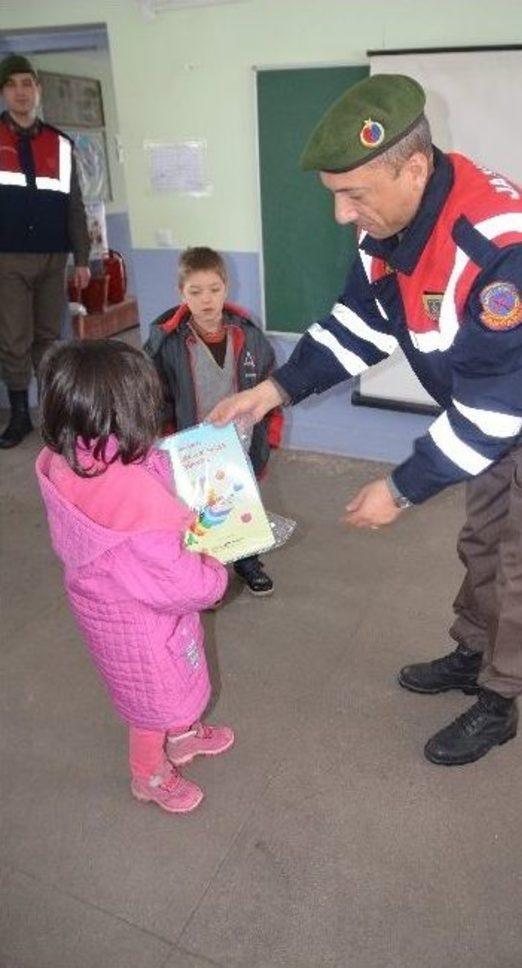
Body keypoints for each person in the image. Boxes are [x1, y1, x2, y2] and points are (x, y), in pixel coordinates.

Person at [211, 74, 522, 767]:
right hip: (487, 409)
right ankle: (471, 653)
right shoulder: (388, 227)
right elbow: (357, 325)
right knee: (484, 538)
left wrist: (399, 489)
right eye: (335, 195)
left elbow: (494, 415)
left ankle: (500, 699)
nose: (343, 216)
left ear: (415, 168)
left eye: (354, 195)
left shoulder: (500, 249)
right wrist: (274, 390)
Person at [35, 340, 234, 813]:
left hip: (121, 608)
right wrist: (216, 569)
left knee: (178, 674)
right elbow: (185, 583)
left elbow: (141, 462)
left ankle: (183, 733)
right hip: (142, 625)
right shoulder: (138, 521)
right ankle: (150, 773)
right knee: (151, 704)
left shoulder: (78, 453)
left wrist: (180, 456)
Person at [144, 246, 283, 597]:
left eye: (214, 290)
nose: (206, 300)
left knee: (242, 499)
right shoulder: (166, 342)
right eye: (195, 292)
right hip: (192, 444)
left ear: (226, 287)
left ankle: (247, 560)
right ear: (181, 293)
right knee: (198, 511)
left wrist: (272, 434)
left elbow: (271, 386)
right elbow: (154, 396)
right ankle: (205, 576)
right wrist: (164, 440)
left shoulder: (248, 335)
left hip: (241, 441)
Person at [0, 54, 91, 449]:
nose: (21, 92)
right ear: (4, 91)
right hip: (8, 259)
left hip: (54, 258)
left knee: (49, 339)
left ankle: (53, 414)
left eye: (28, 83)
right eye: (13, 84)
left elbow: (75, 206)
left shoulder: (60, 143)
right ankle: (20, 414)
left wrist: (83, 258)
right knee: (14, 339)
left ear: (37, 89)